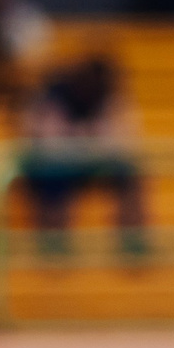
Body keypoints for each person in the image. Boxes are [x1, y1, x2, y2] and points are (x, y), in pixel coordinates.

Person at [16, 54, 147, 257]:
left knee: (129, 175)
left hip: (90, 162)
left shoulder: (109, 97)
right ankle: (54, 245)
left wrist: (86, 139)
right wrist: (88, 137)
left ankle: (132, 242)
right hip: (53, 165)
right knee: (53, 179)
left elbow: (124, 141)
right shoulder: (53, 94)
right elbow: (48, 144)